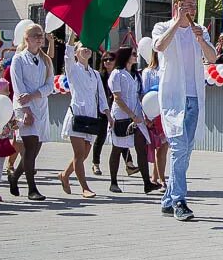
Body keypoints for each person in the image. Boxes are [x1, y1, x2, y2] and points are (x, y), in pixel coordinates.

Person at [153, 0, 217, 222]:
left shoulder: (199, 30)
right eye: (185, 6)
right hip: (172, 98)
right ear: (176, 7)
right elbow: (159, 46)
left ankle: (167, 200)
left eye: (192, 6)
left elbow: (212, 58)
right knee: (179, 149)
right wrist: (177, 23)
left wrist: (200, 39)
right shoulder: (162, 27)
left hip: (194, 98)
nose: (190, 10)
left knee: (186, 152)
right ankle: (180, 200)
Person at [58, 39, 110, 199]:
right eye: (82, 48)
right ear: (76, 52)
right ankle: (84, 187)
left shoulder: (95, 74)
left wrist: (108, 114)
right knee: (79, 154)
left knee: (85, 153)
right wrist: (72, 33)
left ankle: (65, 175)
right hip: (77, 115)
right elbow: (67, 55)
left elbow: (101, 95)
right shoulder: (73, 69)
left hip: (91, 117)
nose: (86, 50)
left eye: (88, 47)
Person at [8, 24, 54, 200]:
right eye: (35, 36)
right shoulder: (18, 59)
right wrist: (26, 110)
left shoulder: (46, 60)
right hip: (24, 108)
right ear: (27, 39)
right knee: (29, 146)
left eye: (41, 35)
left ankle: (15, 176)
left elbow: (50, 85)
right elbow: (18, 87)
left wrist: (35, 94)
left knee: (34, 150)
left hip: (41, 106)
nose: (39, 38)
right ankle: (32, 188)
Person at [107, 46, 159, 194]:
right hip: (122, 116)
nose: (136, 56)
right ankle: (113, 182)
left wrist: (146, 116)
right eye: (134, 54)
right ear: (126, 56)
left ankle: (147, 183)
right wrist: (131, 115)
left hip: (137, 116)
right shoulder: (117, 74)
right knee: (118, 147)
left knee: (141, 147)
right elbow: (117, 98)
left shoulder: (136, 75)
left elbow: (140, 96)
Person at [90, 51, 134, 177]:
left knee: (121, 136)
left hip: (116, 111)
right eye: (105, 60)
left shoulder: (119, 74)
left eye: (110, 59)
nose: (107, 62)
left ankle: (129, 163)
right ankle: (96, 163)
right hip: (103, 110)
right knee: (101, 137)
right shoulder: (100, 76)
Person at [140, 51, 167, 189]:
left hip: (165, 111)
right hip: (153, 111)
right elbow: (145, 93)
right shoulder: (148, 72)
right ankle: (162, 179)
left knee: (163, 147)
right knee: (159, 147)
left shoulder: (168, 69)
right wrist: (146, 116)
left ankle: (156, 177)